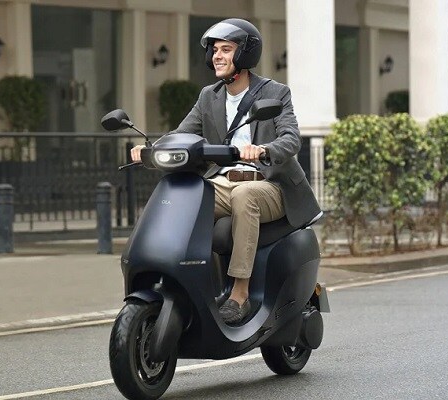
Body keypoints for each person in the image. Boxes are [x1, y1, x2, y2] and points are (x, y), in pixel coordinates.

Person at [130, 18, 321, 324]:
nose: (217, 56)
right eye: (215, 50)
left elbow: (290, 138)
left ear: (245, 54)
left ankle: (240, 294)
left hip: (269, 184)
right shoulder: (209, 96)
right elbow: (183, 134)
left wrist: (264, 149)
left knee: (245, 196)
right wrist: (151, 149)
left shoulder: (275, 92)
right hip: (223, 182)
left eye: (226, 50)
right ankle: (182, 280)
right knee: (183, 198)